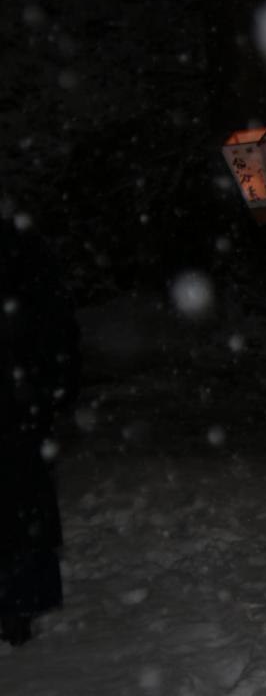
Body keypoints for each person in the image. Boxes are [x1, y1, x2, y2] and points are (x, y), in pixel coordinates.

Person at [0, 209, 80, 646]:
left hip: (19, 396)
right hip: (21, 394)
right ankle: (19, 600)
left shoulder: (21, 245)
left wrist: (54, 379)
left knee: (20, 493)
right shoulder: (22, 244)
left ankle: (19, 603)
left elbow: (51, 318)